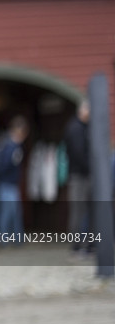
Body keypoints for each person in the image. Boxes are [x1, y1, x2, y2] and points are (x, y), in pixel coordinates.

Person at [0, 115, 30, 245]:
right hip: (7, 183)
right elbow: (4, 165)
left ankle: (13, 239)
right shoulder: (11, 147)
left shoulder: (5, 144)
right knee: (9, 212)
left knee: (10, 212)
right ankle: (9, 240)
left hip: (7, 183)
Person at [64, 99, 94, 256]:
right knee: (78, 211)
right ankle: (76, 246)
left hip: (84, 175)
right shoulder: (75, 128)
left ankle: (87, 244)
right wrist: (91, 168)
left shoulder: (85, 127)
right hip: (78, 176)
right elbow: (78, 153)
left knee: (87, 210)